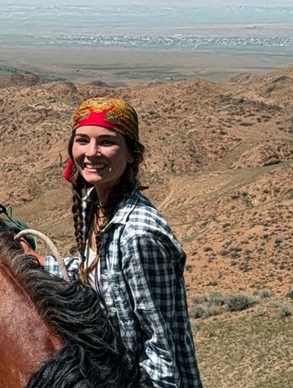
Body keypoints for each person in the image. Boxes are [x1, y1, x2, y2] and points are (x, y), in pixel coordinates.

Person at [58, 97, 202, 388]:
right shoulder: (94, 205)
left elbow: (161, 350)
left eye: (107, 142)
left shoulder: (138, 236)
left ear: (132, 154)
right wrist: (41, 263)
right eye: (82, 140)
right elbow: (95, 272)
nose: (91, 152)